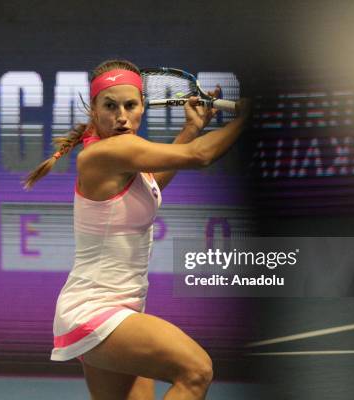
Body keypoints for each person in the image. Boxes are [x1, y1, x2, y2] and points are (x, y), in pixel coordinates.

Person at [24, 59, 249, 400]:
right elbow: (200, 156)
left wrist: (190, 130)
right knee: (196, 371)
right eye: (110, 106)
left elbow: (151, 186)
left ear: (143, 106)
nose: (122, 116)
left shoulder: (124, 161)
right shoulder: (109, 151)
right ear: (94, 110)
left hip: (114, 309)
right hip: (96, 312)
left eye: (130, 105)